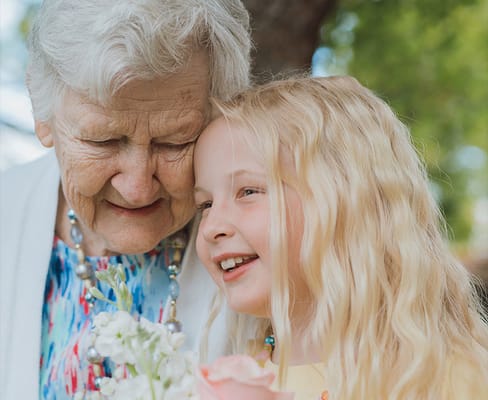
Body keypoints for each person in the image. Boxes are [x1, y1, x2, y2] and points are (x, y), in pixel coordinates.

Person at [0, 0, 251, 398]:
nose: (137, 187)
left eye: (175, 141)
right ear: (41, 113)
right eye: (103, 140)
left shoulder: (269, 244)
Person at [193, 76, 488, 399]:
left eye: (248, 191)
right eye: (205, 204)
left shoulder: (441, 376)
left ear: (344, 201)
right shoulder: (237, 380)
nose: (210, 227)